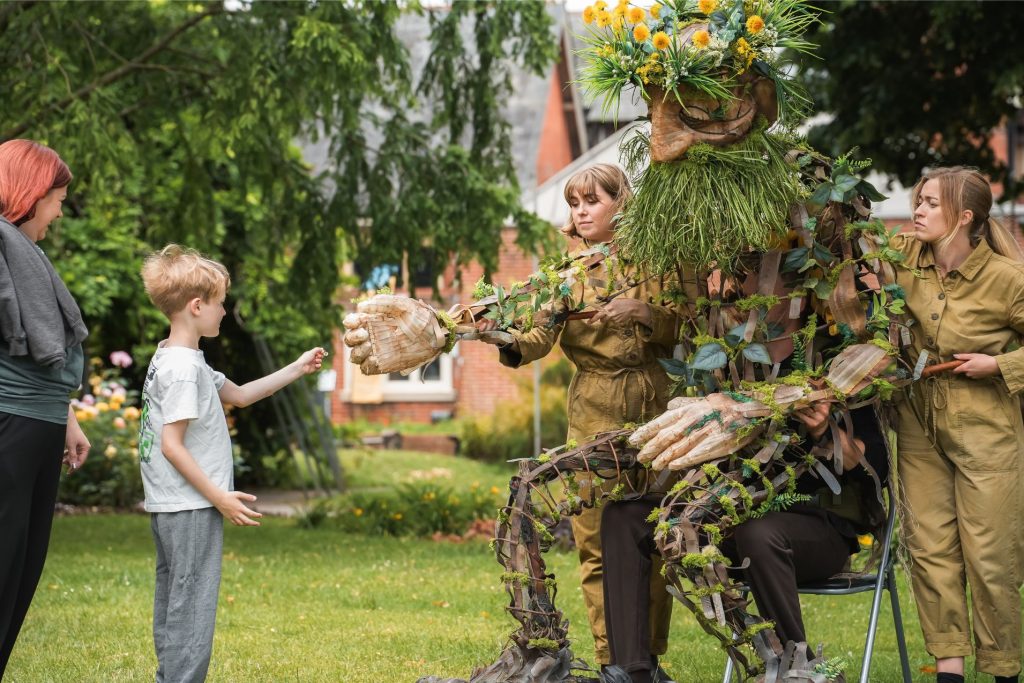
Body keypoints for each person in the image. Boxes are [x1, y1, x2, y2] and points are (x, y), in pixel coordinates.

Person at [480, 164, 683, 678]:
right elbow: (535, 339)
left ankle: (648, 659)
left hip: (658, 405)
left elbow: (688, 326)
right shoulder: (566, 275)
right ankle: (612, 659)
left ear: (622, 203)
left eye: (592, 200)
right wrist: (500, 337)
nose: (581, 212)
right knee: (594, 541)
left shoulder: (660, 260)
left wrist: (641, 312)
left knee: (656, 536)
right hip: (594, 405)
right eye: (574, 204)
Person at [601, 393, 889, 683]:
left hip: (821, 531)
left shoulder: (831, 370)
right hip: (734, 519)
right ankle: (634, 672)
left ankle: (796, 668)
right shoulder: (726, 364)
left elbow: (876, 466)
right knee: (625, 517)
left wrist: (823, 431)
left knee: (758, 531)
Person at [138, 244, 326, 682]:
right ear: (197, 306)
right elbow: (172, 444)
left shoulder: (173, 355)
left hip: (173, 506)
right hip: (191, 505)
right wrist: (220, 497)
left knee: (176, 601)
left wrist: (297, 369)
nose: (224, 312)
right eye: (220, 304)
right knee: (192, 605)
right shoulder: (183, 368)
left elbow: (239, 395)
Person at [892, 166, 1024, 683]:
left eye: (929, 203)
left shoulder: (1006, 279)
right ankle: (949, 672)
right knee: (929, 550)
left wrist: (1001, 365)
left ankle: (1003, 671)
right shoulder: (902, 256)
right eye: (917, 200)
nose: (917, 210)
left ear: (964, 217)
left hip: (986, 429)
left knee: (990, 558)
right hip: (918, 421)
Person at [0, 139, 91, 676]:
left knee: (23, 566)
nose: (59, 211)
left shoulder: (22, 251)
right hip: (11, 424)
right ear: (30, 194)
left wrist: (67, 417)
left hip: (41, 421)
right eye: (55, 199)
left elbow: (45, 356)